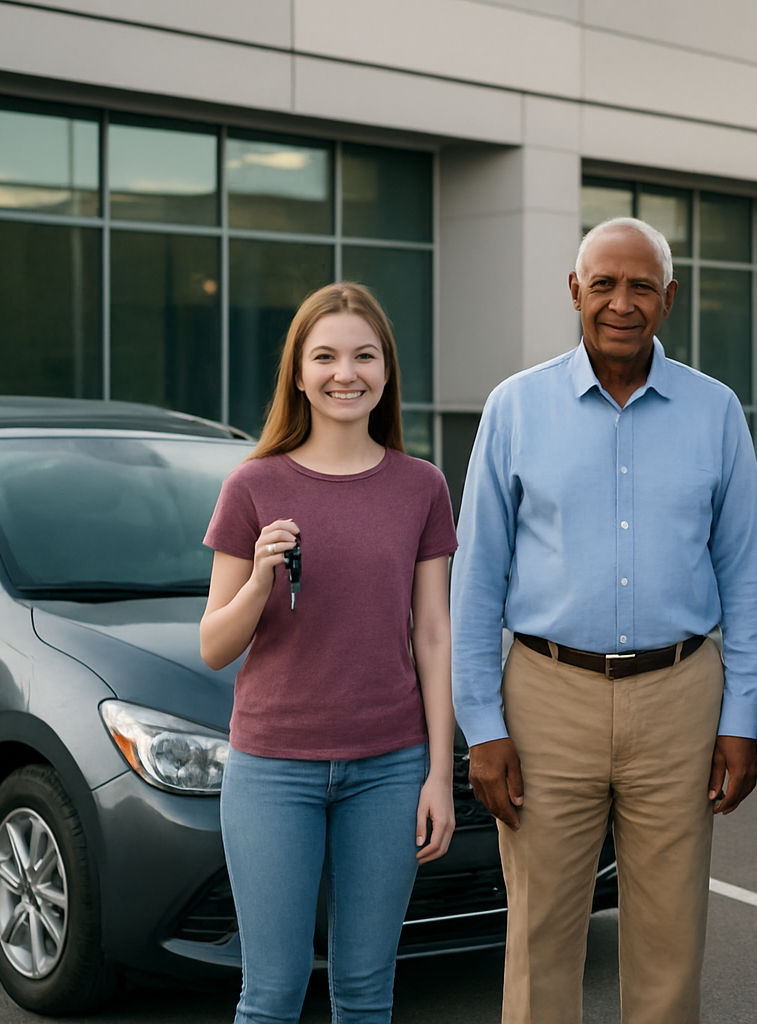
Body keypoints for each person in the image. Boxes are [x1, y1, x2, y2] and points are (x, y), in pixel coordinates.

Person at [451, 217, 757, 1024]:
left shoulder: (715, 411)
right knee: (540, 936)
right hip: (545, 698)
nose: (621, 303)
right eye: (604, 284)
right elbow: (476, 579)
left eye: (640, 286)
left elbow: (746, 579)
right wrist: (481, 727)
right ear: (574, 292)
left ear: (670, 298)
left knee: (670, 941)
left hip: (680, 700)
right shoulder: (515, 408)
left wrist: (741, 722)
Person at [200, 282, 458, 1024]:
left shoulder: (421, 486)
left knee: (367, 996)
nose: (346, 373)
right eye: (326, 356)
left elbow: (433, 634)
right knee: (273, 995)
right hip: (273, 768)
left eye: (363, 356)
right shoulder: (253, 485)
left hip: (389, 769)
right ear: (299, 373)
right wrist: (258, 578)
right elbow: (215, 644)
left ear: (386, 370)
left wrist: (440, 774)